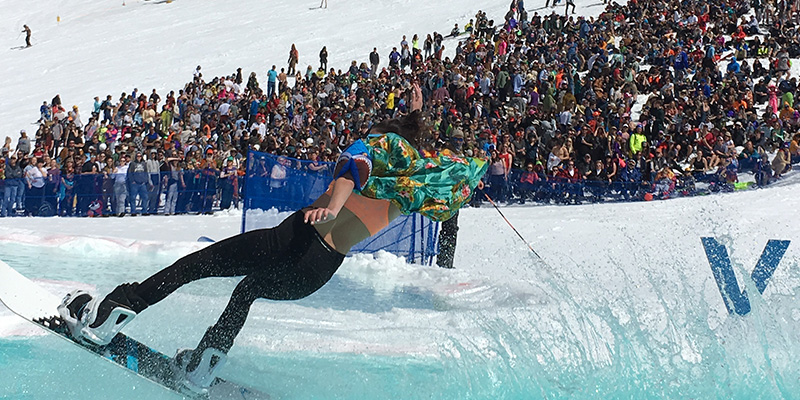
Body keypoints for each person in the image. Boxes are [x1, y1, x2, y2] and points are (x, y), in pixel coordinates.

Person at [57, 111, 487, 389]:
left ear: (385, 135)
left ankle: (108, 313)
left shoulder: (383, 148)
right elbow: (440, 186)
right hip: (318, 272)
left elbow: (354, 166)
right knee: (246, 292)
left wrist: (333, 205)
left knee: (195, 265)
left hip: (297, 239)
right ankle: (204, 364)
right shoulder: (412, 188)